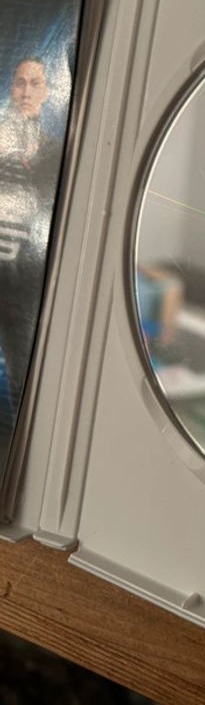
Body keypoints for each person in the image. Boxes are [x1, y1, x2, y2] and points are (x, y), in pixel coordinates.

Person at [0, 58, 62, 441]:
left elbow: (51, 204)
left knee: (23, 374)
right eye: (20, 82)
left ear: (47, 92)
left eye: (34, 83)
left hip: (24, 282)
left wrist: (32, 156)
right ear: (11, 88)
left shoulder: (55, 149)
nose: (25, 91)